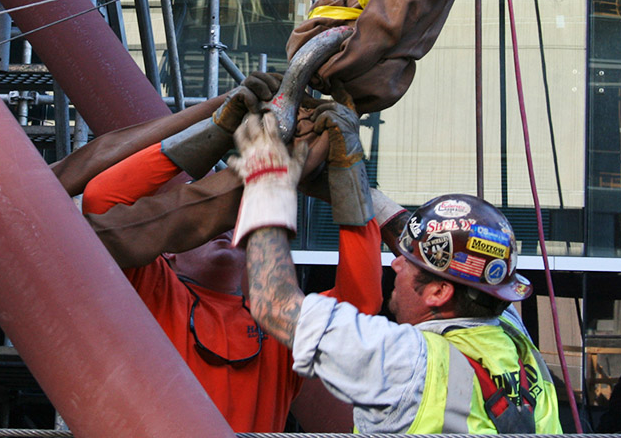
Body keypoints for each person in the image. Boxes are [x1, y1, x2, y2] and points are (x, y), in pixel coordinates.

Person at [80, 75, 383, 433]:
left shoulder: (279, 323)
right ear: (168, 254)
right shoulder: (151, 292)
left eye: (232, 221)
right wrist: (216, 130)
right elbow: (101, 206)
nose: (222, 228)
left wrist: (347, 175)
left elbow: (358, 303)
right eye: (207, 223)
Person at [231, 110, 563, 435]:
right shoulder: (510, 335)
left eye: (409, 262)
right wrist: (350, 185)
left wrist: (267, 182)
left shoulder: (409, 365)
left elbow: (274, 303)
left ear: (438, 293)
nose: (396, 263)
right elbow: (428, 246)